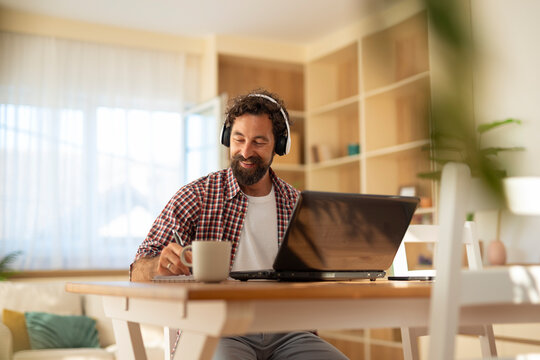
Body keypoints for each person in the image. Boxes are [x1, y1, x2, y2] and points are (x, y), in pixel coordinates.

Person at [130, 89, 349, 360]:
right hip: (218, 328)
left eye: (259, 141)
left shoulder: (296, 204)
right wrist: (157, 265)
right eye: (239, 138)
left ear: (279, 146)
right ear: (227, 139)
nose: (246, 151)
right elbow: (137, 269)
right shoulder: (197, 196)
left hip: (289, 331)